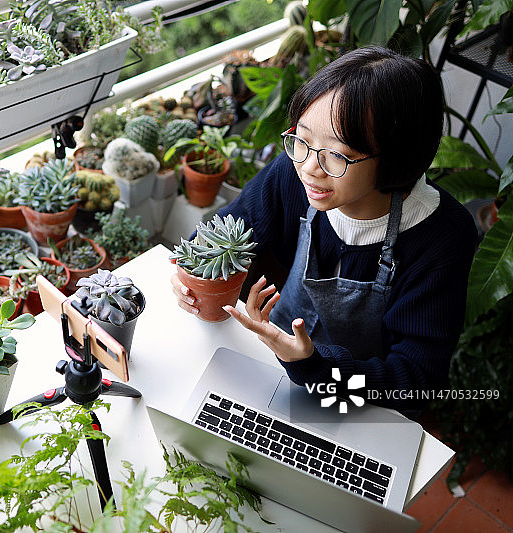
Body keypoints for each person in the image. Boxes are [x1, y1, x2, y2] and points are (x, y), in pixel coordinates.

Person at [171, 46, 476, 414]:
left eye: (337, 154)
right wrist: (192, 271)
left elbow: (418, 380)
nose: (310, 167)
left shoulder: (441, 236)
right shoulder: (293, 171)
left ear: (397, 156)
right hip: (269, 360)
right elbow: (226, 228)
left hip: (362, 403)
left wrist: (314, 366)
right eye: (302, 138)